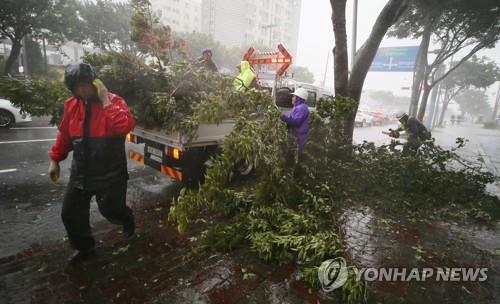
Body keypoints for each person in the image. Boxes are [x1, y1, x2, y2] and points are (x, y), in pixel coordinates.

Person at [48, 62, 136, 263]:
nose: (82, 90)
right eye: (77, 86)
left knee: (111, 210)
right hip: (81, 172)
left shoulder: (114, 101)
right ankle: (84, 248)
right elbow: (65, 135)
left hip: (111, 174)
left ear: (95, 82)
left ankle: (126, 218)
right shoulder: (71, 105)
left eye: (85, 84)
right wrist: (55, 159)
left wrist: (105, 100)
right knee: (70, 214)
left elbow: (125, 125)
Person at [280, 88, 310, 156]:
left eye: (294, 96)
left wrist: (282, 117)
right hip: (294, 136)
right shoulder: (297, 107)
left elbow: (296, 122)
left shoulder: (302, 108)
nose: (292, 98)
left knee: (294, 156)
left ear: (299, 98)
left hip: (298, 138)